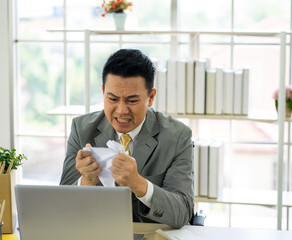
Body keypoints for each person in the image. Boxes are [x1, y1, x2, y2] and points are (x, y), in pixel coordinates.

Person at [60, 49, 194, 228]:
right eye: (112, 99)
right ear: (103, 92)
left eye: (132, 101)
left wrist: (139, 184)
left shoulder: (178, 136)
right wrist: (86, 182)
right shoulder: (81, 129)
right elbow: (60, 204)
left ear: (151, 97)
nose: (121, 110)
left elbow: (183, 212)